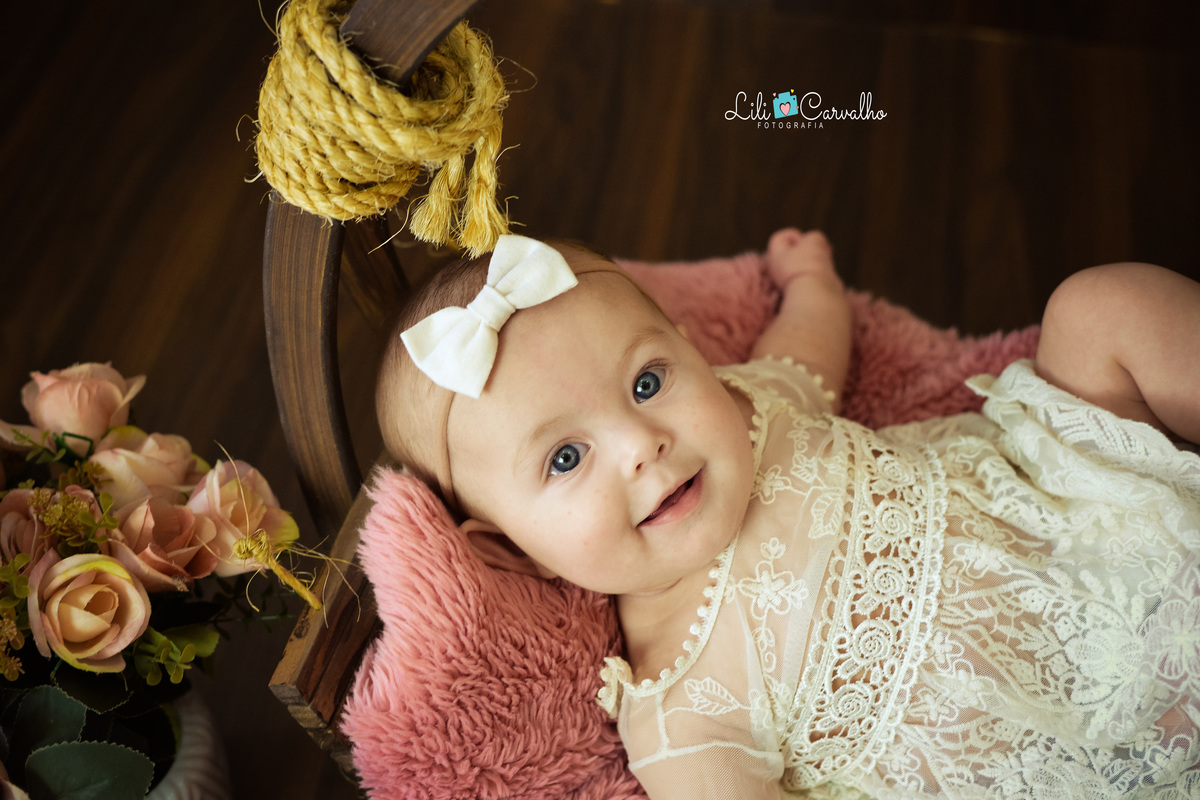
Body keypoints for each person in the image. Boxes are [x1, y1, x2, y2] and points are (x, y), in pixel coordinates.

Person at [375, 230, 1200, 798]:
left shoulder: (753, 406)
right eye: (565, 457)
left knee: (1100, 307)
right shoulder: (683, 712)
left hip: (1078, 518)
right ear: (514, 553)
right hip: (1055, 746)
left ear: (695, 354)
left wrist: (809, 284)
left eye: (648, 381)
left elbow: (809, 343)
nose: (639, 444)